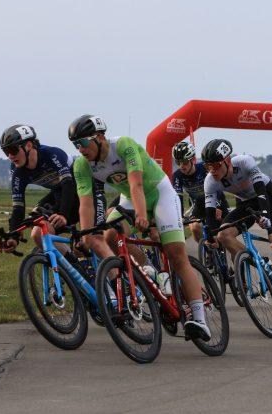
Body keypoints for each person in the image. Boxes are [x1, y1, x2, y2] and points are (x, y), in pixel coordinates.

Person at [68, 114, 211, 340]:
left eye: (84, 142)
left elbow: (136, 184)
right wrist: (86, 235)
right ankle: (149, 271)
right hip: (129, 200)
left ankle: (200, 319)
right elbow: (85, 203)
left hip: (160, 194)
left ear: (99, 137)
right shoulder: (81, 165)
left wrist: (143, 215)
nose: (81, 149)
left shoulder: (123, 145)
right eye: (76, 145)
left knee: (176, 256)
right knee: (110, 236)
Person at [0, 124, 106, 254]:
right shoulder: (17, 171)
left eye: (13, 150)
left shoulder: (52, 154)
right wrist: (13, 236)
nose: (10, 156)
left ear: (29, 145)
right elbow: (18, 207)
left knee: (92, 242)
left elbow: (68, 185)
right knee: (37, 231)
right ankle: (71, 262)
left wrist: (63, 214)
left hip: (87, 193)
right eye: (6, 152)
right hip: (60, 195)